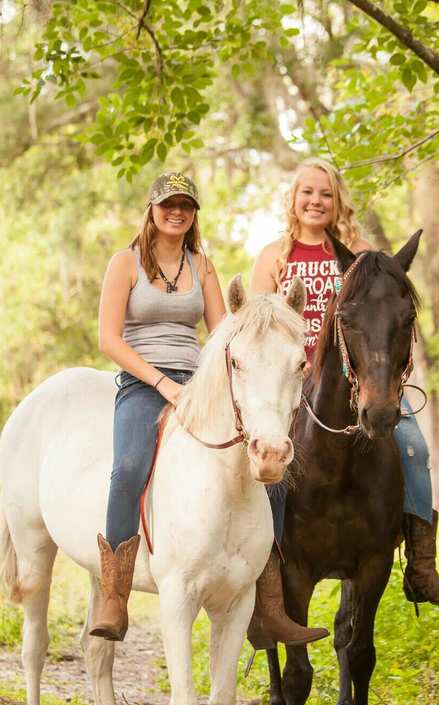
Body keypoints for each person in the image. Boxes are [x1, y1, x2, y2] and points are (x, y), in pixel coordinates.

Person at [91, 171, 329, 647]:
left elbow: (224, 331)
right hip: (143, 383)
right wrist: (161, 382)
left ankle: (267, 600)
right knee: (130, 463)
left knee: (268, 466)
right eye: (167, 204)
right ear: (152, 210)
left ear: (194, 213)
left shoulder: (202, 265)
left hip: (199, 382)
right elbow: (108, 339)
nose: (176, 212)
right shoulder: (125, 263)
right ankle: (114, 592)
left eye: (185, 205)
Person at [250, 158, 439, 610]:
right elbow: (260, 327)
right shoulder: (274, 257)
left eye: (325, 193)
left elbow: (387, 317)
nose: (316, 201)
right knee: (267, 467)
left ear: (338, 200)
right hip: (293, 385)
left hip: (361, 381)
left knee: (414, 448)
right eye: (307, 192)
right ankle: (265, 575)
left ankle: (421, 563)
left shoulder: (363, 254)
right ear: (294, 198)